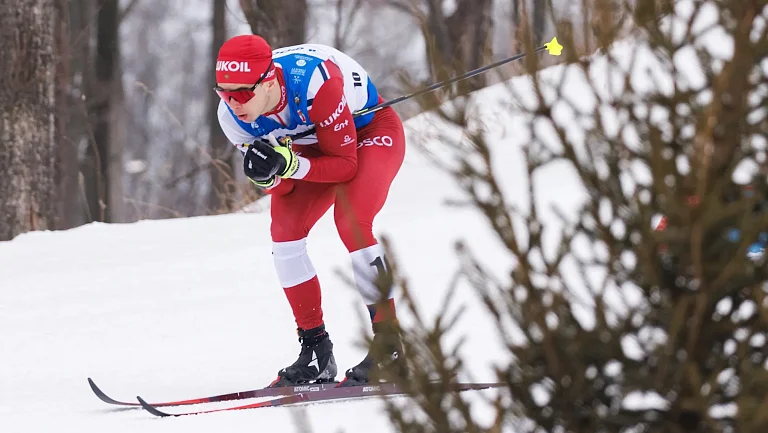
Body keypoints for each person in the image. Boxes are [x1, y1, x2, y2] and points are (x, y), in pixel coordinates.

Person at [213, 34, 408, 387]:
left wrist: (288, 163)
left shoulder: (315, 80)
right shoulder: (232, 119)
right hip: (311, 148)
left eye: (242, 93)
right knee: (284, 233)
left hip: (367, 134)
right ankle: (316, 350)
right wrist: (267, 176)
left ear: (269, 80)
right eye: (224, 93)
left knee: (351, 220)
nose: (234, 103)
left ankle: (389, 345)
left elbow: (346, 165)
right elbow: (284, 187)